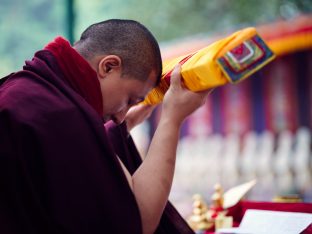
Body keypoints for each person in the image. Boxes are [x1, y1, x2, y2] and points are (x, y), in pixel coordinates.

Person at [0, 19, 209, 234]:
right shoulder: (58, 115)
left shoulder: (33, 91)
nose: (119, 117)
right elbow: (136, 222)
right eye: (130, 99)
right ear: (108, 66)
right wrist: (171, 120)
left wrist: (125, 125)